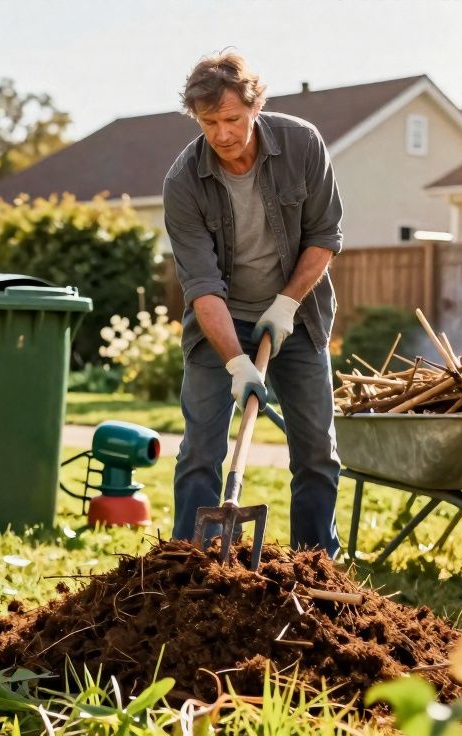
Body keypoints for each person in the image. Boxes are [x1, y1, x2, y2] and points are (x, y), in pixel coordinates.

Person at [162, 52, 344, 556]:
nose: (222, 134)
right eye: (209, 122)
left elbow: (324, 236)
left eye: (233, 119)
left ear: (255, 106)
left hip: (298, 316)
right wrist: (237, 362)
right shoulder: (183, 183)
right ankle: (191, 566)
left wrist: (286, 304)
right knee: (201, 450)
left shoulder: (302, 145)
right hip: (219, 322)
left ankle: (316, 568)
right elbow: (201, 286)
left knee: (316, 453)